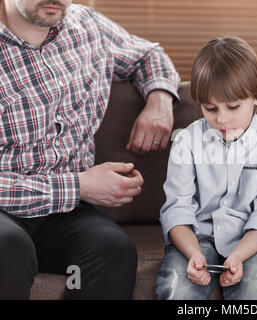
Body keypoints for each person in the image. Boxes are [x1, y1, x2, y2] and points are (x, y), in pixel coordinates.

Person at [0, 0, 180, 299]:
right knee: (8, 249)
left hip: (65, 216)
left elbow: (148, 56)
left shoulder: (87, 26)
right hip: (5, 213)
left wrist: (159, 101)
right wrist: (79, 186)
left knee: (113, 252)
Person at [155, 36, 257, 300]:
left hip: (254, 243)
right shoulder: (186, 141)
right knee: (176, 290)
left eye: (233, 107)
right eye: (210, 108)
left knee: (254, 293)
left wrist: (239, 256)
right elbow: (177, 209)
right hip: (197, 238)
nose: (221, 118)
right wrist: (194, 253)